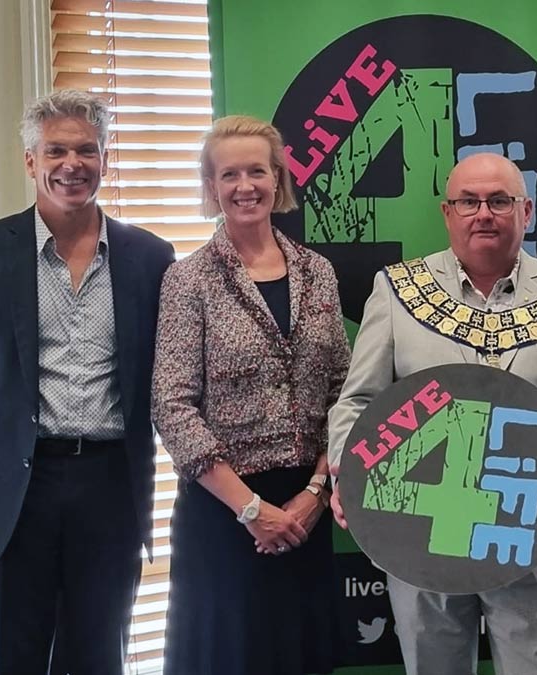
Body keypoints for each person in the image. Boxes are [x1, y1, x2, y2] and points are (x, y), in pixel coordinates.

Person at [327, 152, 537, 675]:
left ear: (525, 212)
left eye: (500, 201)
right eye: (469, 201)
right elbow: (359, 402)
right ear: (447, 212)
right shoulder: (396, 292)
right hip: (421, 532)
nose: (484, 213)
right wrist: (351, 471)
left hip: (529, 532)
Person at [0, 89, 176, 674]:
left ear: (105, 160)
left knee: (99, 656)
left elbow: (163, 372)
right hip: (17, 489)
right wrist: (1, 442)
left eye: (87, 150)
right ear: (31, 161)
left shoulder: (149, 257)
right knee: (13, 657)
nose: (72, 164)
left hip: (110, 484)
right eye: (56, 150)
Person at [151, 115, 350, 675]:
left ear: (278, 178)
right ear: (211, 188)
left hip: (306, 512)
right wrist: (251, 509)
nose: (245, 186)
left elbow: (343, 389)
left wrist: (315, 493)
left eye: (257, 171)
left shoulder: (318, 273)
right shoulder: (188, 279)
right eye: (229, 174)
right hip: (224, 515)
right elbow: (172, 404)